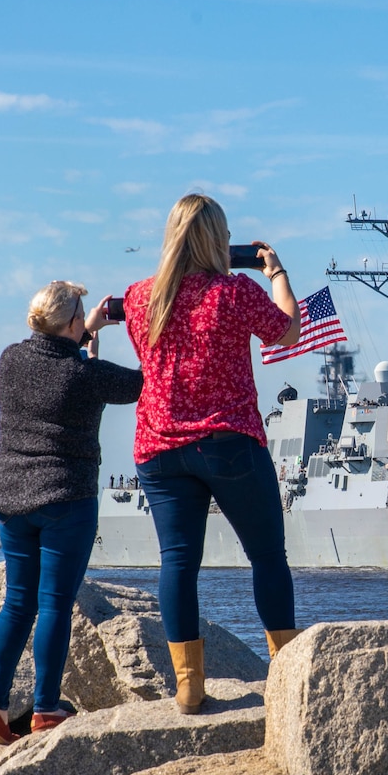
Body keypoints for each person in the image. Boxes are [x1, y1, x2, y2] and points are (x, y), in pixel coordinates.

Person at [123, 193, 302, 714]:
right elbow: (287, 330)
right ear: (214, 240)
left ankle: (189, 685)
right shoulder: (234, 291)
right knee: (267, 556)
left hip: (159, 448)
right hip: (229, 442)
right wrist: (277, 273)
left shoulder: (139, 297)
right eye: (223, 237)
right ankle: (286, 674)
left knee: (178, 562)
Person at [0, 281, 143, 745]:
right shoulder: (86, 375)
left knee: (18, 604)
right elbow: (142, 384)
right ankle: (46, 707)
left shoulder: (9, 359)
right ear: (71, 323)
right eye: (81, 316)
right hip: (65, 499)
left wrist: (86, 332)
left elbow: (51, 360)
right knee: (54, 606)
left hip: (11, 500)